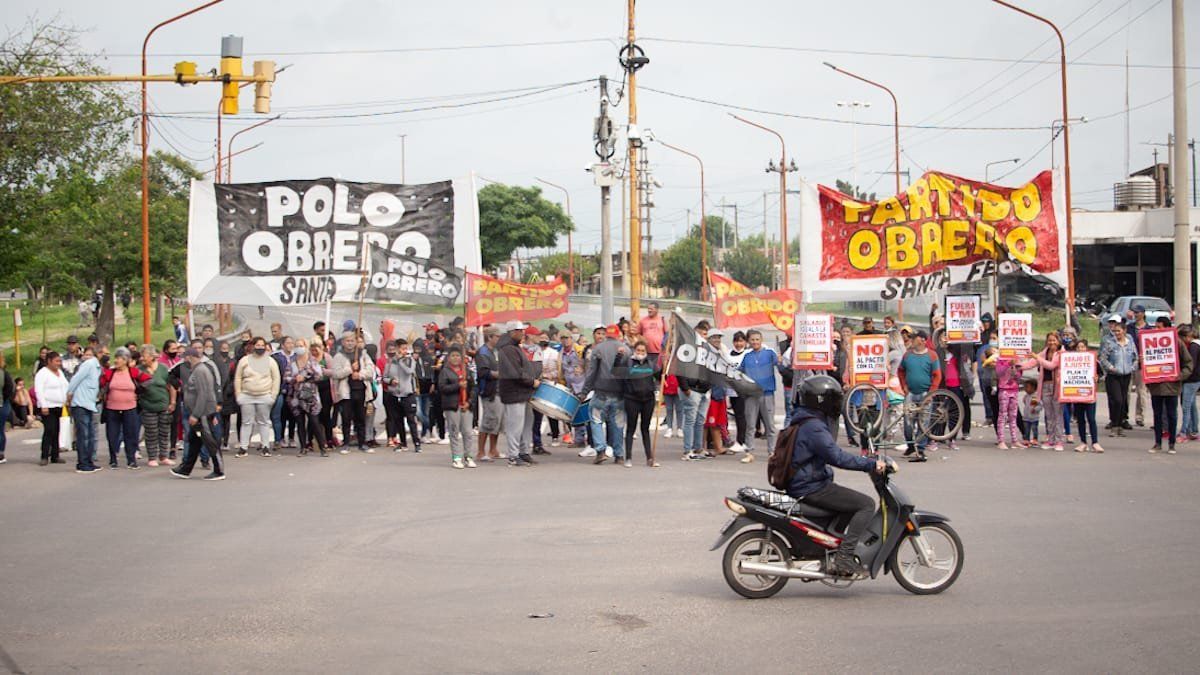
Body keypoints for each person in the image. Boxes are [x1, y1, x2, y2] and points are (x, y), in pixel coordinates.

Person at [783, 375, 886, 578]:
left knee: (847, 504)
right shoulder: (813, 427)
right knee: (865, 504)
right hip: (811, 486)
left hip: (806, 481)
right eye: (834, 398)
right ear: (821, 400)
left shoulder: (806, 418)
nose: (837, 403)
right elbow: (837, 457)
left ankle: (831, 547)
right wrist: (871, 464)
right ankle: (844, 557)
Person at [170, 348, 225, 480]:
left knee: (209, 441)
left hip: (203, 412)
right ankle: (185, 469)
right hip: (199, 411)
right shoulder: (197, 370)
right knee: (194, 440)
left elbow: (203, 394)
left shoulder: (200, 371)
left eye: (185, 357)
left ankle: (219, 470)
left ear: (190, 357)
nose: (183, 359)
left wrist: (196, 414)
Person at [584, 323, 629, 465]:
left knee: (596, 420)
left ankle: (600, 450)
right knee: (618, 424)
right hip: (620, 393)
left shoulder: (598, 349)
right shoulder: (626, 350)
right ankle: (619, 455)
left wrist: (585, 391)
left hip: (601, 392)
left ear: (606, 335)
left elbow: (592, 372)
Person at [498, 320, 539, 467]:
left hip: (521, 392)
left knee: (526, 423)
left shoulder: (514, 347)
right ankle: (513, 456)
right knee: (515, 425)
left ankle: (523, 451)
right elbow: (516, 373)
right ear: (512, 332)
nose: (523, 333)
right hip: (513, 392)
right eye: (520, 331)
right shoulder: (508, 348)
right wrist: (531, 382)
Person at [1148, 322, 1193, 454]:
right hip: (1156, 386)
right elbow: (1145, 363)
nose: (1157, 329)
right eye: (1155, 327)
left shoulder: (1177, 342)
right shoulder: (1149, 342)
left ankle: (1172, 444)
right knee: (1157, 416)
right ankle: (1157, 443)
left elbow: (1188, 363)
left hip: (1172, 386)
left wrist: (1179, 376)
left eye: (1160, 327)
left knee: (1172, 415)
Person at [234, 337, 281, 458]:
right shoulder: (244, 360)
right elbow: (238, 378)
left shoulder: (270, 361)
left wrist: (273, 395)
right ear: (252, 346)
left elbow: (276, 378)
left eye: (262, 345)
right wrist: (239, 395)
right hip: (247, 395)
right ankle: (243, 447)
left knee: (264, 422)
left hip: (265, 395)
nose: (260, 347)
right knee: (246, 422)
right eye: (257, 345)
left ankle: (265, 446)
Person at [898, 330, 941, 461]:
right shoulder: (907, 355)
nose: (913, 340)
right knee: (907, 423)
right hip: (910, 393)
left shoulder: (932, 356)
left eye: (915, 338)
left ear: (922, 340)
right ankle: (911, 445)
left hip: (925, 394)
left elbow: (937, 375)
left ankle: (921, 449)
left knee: (924, 422)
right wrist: (904, 386)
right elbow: (901, 371)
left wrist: (931, 392)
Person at [331, 331, 376, 454]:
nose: (350, 343)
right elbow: (335, 373)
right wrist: (349, 369)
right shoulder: (339, 356)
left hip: (361, 390)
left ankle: (363, 443)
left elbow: (371, 370)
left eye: (352, 341)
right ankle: (346, 443)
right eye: (347, 341)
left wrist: (360, 375)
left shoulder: (363, 355)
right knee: (346, 418)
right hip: (346, 392)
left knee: (360, 418)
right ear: (343, 342)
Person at [738, 329, 778, 465]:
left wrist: (780, 359)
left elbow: (781, 366)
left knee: (770, 425)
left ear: (761, 340)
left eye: (757, 339)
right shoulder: (747, 356)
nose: (755, 342)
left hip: (767, 393)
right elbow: (739, 373)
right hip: (751, 395)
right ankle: (749, 452)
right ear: (749, 341)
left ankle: (772, 452)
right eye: (752, 339)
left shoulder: (770, 354)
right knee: (750, 425)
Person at [621, 340, 659, 468]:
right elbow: (618, 374)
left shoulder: (651, 364)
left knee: (645, 429)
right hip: (632, 399)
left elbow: (660, 376)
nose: (640, 353)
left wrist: (665, 363)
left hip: (648, 400)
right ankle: (628, 458)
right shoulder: (629, 363)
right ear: (634, 351)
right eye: (638, 351)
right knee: (631, 428)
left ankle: (649, 458)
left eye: (643, 351)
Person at [438, 346, 477, 469]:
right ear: (449, 358)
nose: (456, 358)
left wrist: (469, 402)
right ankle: (456, 457)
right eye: (453, 356)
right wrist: (457, 385)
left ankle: (469, 456)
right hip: (452, 406)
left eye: (458, 356)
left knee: (468, 432)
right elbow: (443, 388)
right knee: (454, 432)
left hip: (466, 405)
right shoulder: (445, 371)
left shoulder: (466, 370)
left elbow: (473, 388)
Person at [287, 341, 328, 457]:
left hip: (311, 397)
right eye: (297, 345)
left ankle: (322, 447)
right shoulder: (292, 362)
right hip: (296, 396)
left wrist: (305, 377)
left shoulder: (312, 361)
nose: (299, 348)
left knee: (314, 421)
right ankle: (303, 447)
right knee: (300, 422)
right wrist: (295, 379)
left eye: (301, 345)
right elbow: (286, 377)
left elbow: (319, 375)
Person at [138, 345, 176, 468]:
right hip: (147, 406)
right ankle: (152, 457)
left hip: (163, 405)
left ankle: (163, 456)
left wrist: (173, 402)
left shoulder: (164, 369)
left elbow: (171, 386)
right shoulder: (139, 370)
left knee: (165, 432)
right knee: (151, 432)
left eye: (144, 356)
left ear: (151, 356)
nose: (142, 358)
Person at [383, 339, 423, 453]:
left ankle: (416, 443)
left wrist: (401, 361)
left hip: (407, 394)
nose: (404, 351)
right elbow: (384, 377)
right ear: (396, 349)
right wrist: (390, 381)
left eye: (405, 348)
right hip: (395, 394)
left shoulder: (410, 360)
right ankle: (403, 442)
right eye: (401, 348)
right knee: (398, 419)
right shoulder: (390, 362)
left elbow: (409, 371)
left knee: (411, 419)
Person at [64, 347, 100, 472]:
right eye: (86, 354)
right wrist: (69, 393)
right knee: (83, 435)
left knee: (90, 435)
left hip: (89, 403)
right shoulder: (89, 365)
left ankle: (89, 462)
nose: (87, 357)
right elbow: (76, 379)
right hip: (80, 404)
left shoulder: (96, 368)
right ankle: (83, 463)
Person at [33, 351, 69, 467]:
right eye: (56, 361)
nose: (58, 363)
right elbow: (39, 390)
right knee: (49, 430)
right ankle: (44, 455)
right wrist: (43, 405)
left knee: (56, 430)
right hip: (48, 406)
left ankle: (55, 455)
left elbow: (65, 386)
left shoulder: (59, 372)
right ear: (49, 361)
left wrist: (67, 399)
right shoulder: (42, 373)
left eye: (60, 361)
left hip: (59, 405)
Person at [1070, 339, 1104, 453]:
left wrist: (1097, 378)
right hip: (1077, 395)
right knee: (1080, 419)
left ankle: (1095, 442)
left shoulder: (1094, 361)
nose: (1081, 349)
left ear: (1086, 348)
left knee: (1091, 419)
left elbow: (1102, 375)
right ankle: (1083, 442)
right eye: (1078, 347)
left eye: (1083, 347)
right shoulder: (1070, 361)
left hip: (1089, 395)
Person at [474, 328, 503, 460]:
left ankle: (493, 449)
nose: (499, 339)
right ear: (490, 337)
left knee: (497, 421)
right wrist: (498, 374)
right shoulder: (483, 352)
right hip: (489, 390)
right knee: (488, 420)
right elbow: (482, 372)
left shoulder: (496, 351)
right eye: (497, 336)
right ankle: (481, 451)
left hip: (499, 390)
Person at [1034, 333, 1065, 452]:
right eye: (1049, 340)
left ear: (1058, 341)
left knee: (1058, 414)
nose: (1051, 342)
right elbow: (1033, 362)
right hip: (1045, 386)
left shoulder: (1062, 353)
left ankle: (1059, 440)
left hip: (1057, 387)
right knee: (1049, 415)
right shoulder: (1044, 353)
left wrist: (1037, 358)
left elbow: (1051, 365)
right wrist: (1019, 365)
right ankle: (1050, 439)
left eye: (1054, 340)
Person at [1127, 304, 1150, 426]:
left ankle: (1140, 416)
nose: (1135, 315)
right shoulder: (1129, 328)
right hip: (1129, 362)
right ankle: (1123, 415)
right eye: (1134, 312)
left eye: (1138, 312)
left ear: (1143, 313)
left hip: (1142, 364)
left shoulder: (1149, 329)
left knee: (1142, 391)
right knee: (1126, 391)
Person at [1179, 324, 1200, 442]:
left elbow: (1190, 365)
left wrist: (1182, 376)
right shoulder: (1197, 345)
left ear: (1187, 336)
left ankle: (1184, 432)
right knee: (1192, 406)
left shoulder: (1193, 347)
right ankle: (1193, 430)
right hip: (1196, 379)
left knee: (1186, 407)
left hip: (1191, 380)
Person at [1019, 378, 1041, 448]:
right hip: (1026, 417)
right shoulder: (1026, 396)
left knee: (1034, 429)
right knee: (1026, 429)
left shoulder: (1035, 396)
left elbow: (1039, 406)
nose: (1025, 389)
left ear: (1034, 388)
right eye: (1025, 387)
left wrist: (1035, 409)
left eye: (1027, 387)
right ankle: (1027, 440)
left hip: (1034, 417)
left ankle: (1035, 439)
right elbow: (1025, 403)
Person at [0, 353, 13, 465]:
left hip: (2, 404)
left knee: (0, 430)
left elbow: (10, 389)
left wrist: (3, 399)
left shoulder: (4, 373)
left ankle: (0, 453)